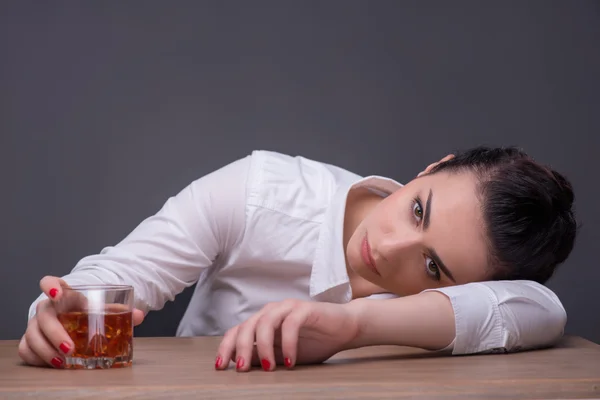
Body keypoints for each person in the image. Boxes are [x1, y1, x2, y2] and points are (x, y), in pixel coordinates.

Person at [19, 146, 578, 372]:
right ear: (433, 167)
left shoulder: (481, 295)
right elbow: (121, 276)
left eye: (433, 268)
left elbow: (540, 310)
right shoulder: (260, 191)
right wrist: (57, 311)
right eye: (416, 211)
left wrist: (351, 328)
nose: (385, 249)